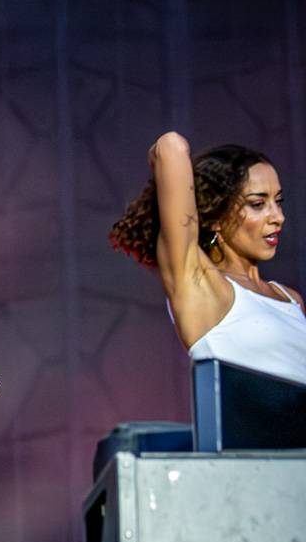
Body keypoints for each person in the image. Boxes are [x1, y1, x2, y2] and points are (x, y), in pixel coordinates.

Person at [110, 132, 306, 385]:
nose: (278, 217)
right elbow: (170, 147)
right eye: (258, 204)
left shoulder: (289, 298)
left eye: (278, 201)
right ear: (216, 216)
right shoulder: (201, 285)